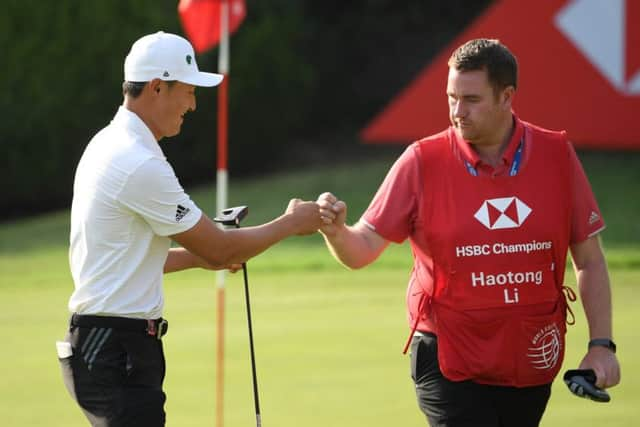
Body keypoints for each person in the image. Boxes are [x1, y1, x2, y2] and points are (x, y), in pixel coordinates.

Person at [316, 38, 620, 427]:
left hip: (530, 355)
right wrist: (337, 231)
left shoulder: (556, 155)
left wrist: (601, 346)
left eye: (471, 99)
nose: (458, 112)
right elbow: (361, 250)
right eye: (451, 97)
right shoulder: (421, 161)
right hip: (446, 359)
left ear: (507, 96)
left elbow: (589, 259)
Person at [57, 31, 323, 427]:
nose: (193, 104)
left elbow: (135, 257)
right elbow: (221, 248)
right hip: (116, 350)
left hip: (111, 346)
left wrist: (202, 260)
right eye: (188, 91)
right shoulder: (136, 162)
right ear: (158, 87)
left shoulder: (110, 143)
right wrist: (290, 224)